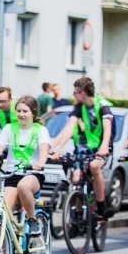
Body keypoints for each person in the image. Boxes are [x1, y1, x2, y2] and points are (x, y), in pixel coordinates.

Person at [0, 96, 50, 240]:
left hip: (33, 173)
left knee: (23, 187)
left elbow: (43, 150)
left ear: (33, 113)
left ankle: (32, 220)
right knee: (4, 214)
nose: (21, 114)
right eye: (19, 111)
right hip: (12, 174)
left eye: (25, 111)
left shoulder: (40, 130)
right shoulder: (9, 128)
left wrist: (40, 163)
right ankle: (4, 253)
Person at [50, 77, 115, 220]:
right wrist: (58, 147)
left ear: (83, 93)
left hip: (101, 147)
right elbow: (68, 128)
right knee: (76, 178)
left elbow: (107, 127)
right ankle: (77, 216)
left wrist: (104, 146)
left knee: (94, 166)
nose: (73, 96)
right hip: (84, 149)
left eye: (75, 93)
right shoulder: (79, 107)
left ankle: (102, 204)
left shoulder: (102, 105)